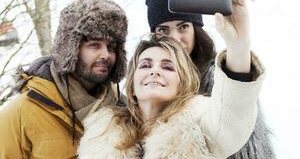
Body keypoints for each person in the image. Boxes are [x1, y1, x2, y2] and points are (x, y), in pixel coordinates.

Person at [145, 0, 275, 158]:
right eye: (163, 30)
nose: (175, 39)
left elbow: (232, 111)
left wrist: (239, 48)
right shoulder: (147, 83)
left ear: (195, 29)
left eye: (183, 27)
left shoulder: (218, 80)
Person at [78, 32, 265, 158]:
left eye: (167, 67)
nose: (154, 71)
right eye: (145, 65)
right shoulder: (101, 132)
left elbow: (232, 114)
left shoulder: (201, 122)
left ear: (183, 82)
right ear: (133, 84)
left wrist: (238, 45)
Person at [0, 0, 128, 158]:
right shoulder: (21, 112)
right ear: (71, 49)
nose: (106, 55)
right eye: (94, 45)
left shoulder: (123, 111)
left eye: (111, 47)